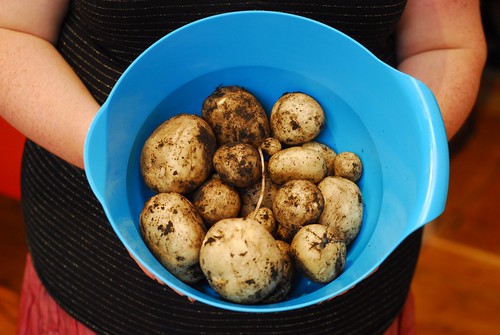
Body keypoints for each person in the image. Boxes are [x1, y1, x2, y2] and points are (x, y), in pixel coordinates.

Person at [0, 1, 487, 334]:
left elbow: (445, 46)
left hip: (343, 303)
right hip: (100, 265)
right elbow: (10, 32)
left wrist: (408, 153)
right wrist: (104, 161)